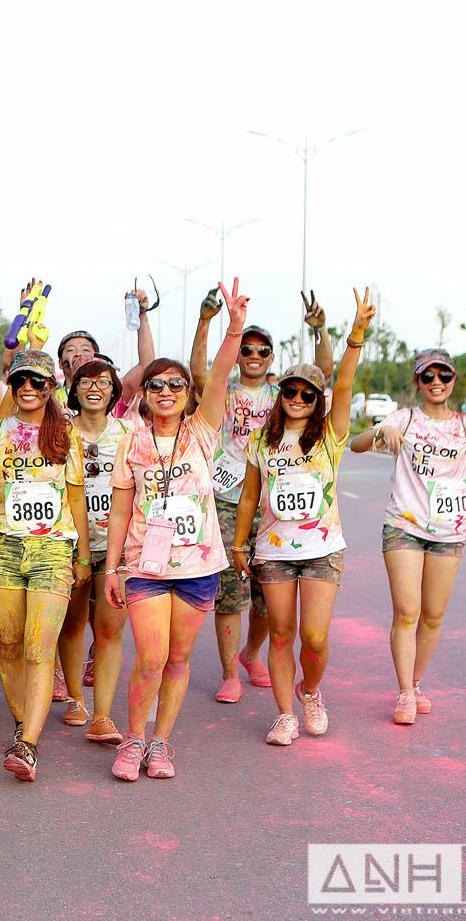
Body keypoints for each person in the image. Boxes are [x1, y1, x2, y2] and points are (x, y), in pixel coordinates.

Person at [105, 279, 249, 782]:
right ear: (143, 395)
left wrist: (232, 328)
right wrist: (111, 567)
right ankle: (133, 738)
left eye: (175, 385)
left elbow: (221, 376)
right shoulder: (132, 442)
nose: (165, 392)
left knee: (179, 658)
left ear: (188, 395)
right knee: (150, 656)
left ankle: (161, 743)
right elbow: (121, 510)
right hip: (146, 564)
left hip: (198, 565)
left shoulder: (203, 433)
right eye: (156, 385)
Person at [229, 290, 373, 746]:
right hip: (272, 551)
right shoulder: (263, 441)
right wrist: (238, 545)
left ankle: (310, 690)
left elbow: (345, 384)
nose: (296, 398)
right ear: (280, 393)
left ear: (317, 400)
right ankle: (285, 714)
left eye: (306, 393)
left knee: (313, 637)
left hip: (322, 550)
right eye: (289, 390)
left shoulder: (329, 437)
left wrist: (355, 334)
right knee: (280, 633)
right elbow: (250, 495)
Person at [350, 349, 466, 724]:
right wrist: (381, 430)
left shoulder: (465, 426)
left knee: (433, 615)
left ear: (453, 381)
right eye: (428, 377)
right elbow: (356, 444)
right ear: (418, 382)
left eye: (444, 376)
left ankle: (415, 680)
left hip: (449, 529)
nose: (437, 383)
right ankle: (405, 693)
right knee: (407, 611)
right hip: (404, 526)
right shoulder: (405, 419)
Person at [190, 289, 332, 704]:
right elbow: (199, 370)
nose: (253, 354)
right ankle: (230, 671)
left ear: (271, 357)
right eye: (247, 349)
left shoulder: (284, 398)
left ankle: (253, 653)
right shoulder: (225, 393)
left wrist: (320, 331)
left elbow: (324, 379)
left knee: (267, 596)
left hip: (273, 511)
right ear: (238, 355)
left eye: (262, 350)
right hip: (227, 502)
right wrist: (206, 320)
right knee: (230, 590)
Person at [0, 348, 89, 781]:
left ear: (51, 386)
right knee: (11, 641)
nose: (28, 389)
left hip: (53, 549)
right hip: (2, 548)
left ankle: (28, 743)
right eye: (21, 382)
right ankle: (22, 722)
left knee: (38, 646)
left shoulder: (66, 434)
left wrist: (84, 556)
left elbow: (76, 498)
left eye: (37, 382)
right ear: (12, 386)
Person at [66, 357, 138, 740]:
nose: (95, 388)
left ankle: (102, 715)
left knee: (110, 628)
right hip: (68, 543)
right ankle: (76, 698)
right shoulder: (59, 431)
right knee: (73, 623)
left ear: (114, 391)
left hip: (118, 547)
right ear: (74, 389)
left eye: (104, 382)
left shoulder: (129, 432)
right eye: (86, 382)